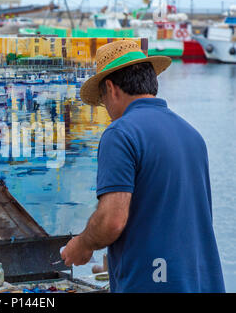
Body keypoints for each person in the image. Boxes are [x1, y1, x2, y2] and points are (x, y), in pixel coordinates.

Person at [61, 40, 225, 293]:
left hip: (153, 283)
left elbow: (112, 220)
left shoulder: (121, 133)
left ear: (111, 88)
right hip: (201, 282)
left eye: (103, 101)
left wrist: (82, 244)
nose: (106, 110)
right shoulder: (192, 135)